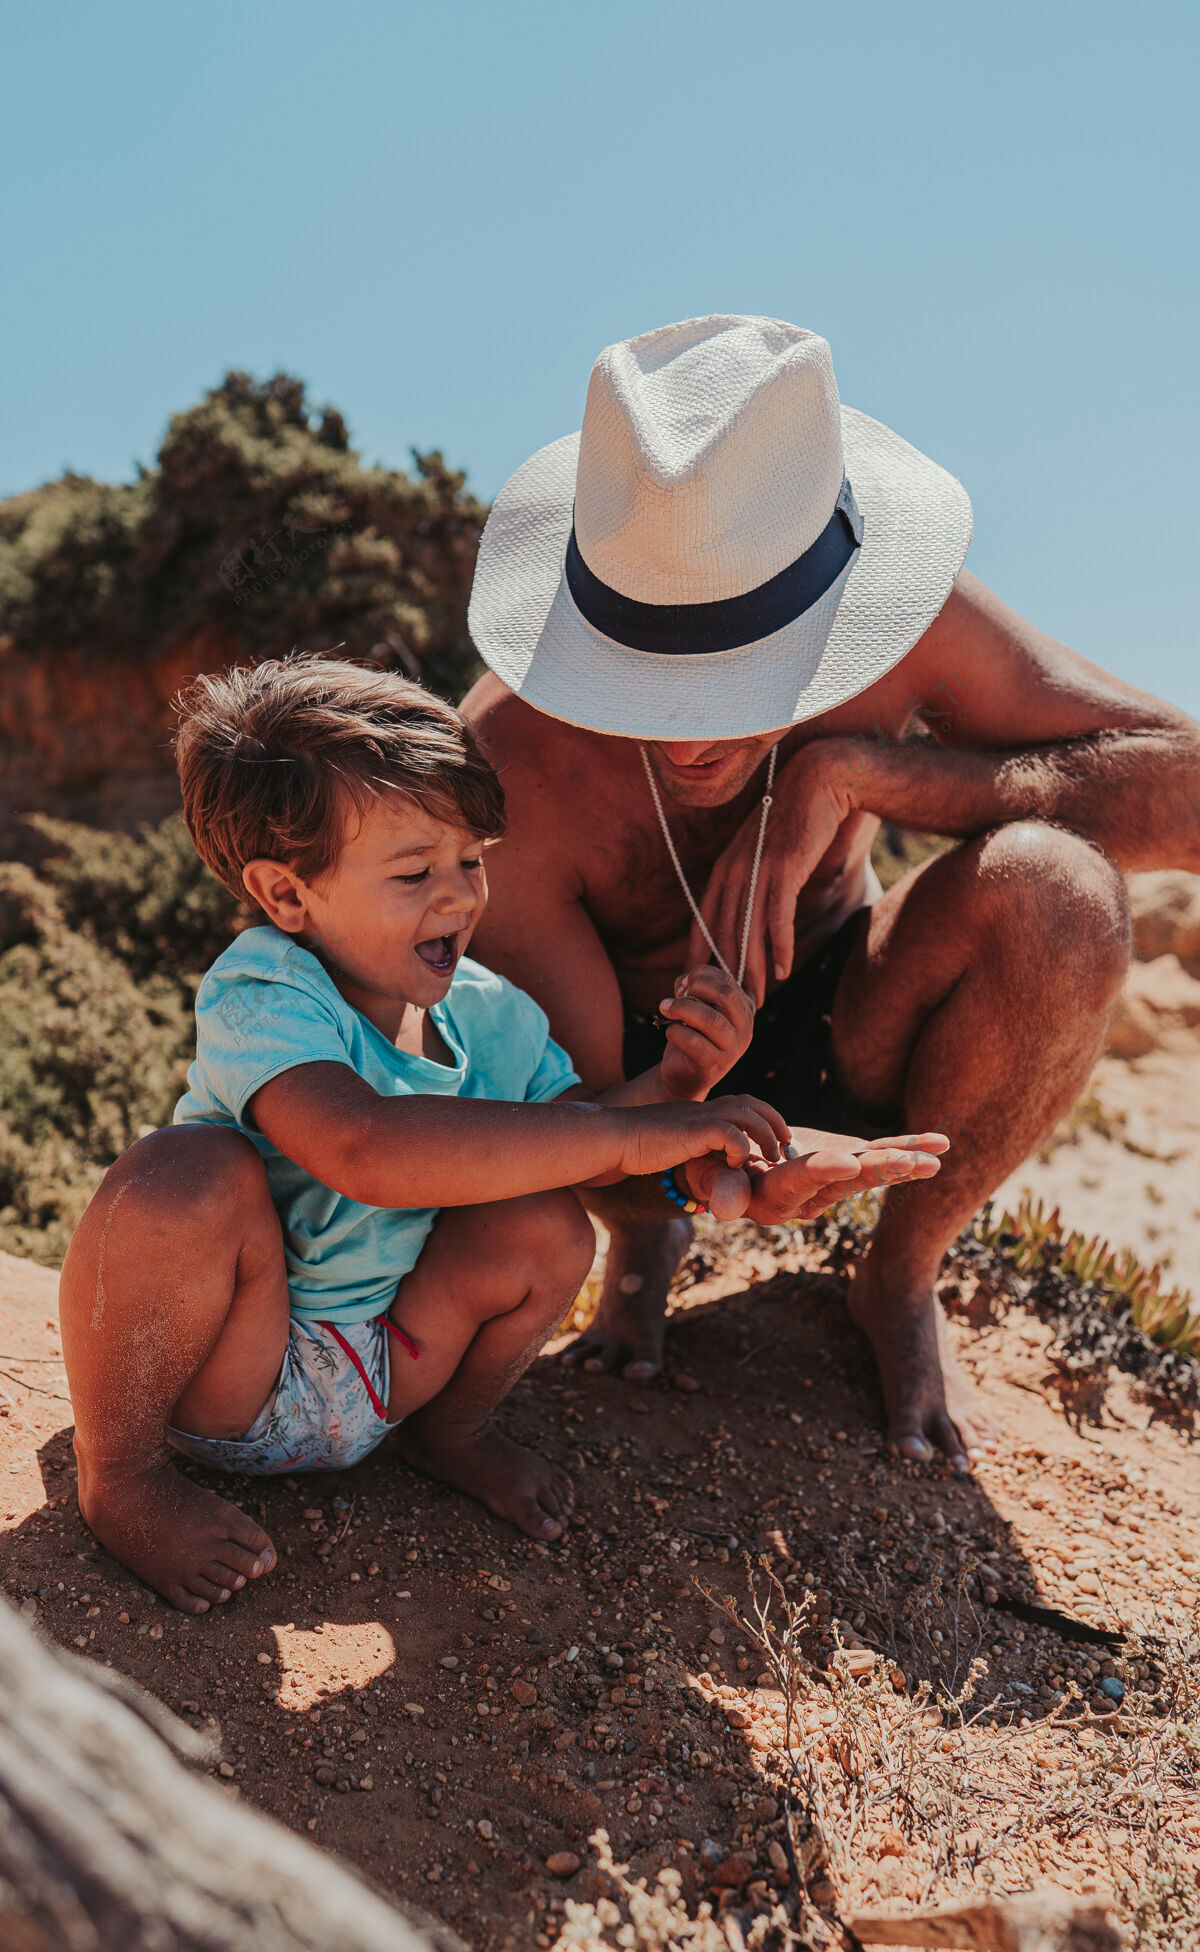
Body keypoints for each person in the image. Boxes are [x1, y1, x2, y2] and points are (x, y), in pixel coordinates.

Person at [462, 313, 1200, 1472]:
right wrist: (697, 1154)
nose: (693, 734)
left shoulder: (899, 624)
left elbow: (1187, 794)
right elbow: (568, 1108)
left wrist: (853, 771)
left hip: (851, 1011)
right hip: (631, 1078)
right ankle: (645, 1255)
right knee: (586, 1144)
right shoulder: (511, 768)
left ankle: (899, 1275)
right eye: (654, 680)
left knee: (1060, 890)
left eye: (742, 677)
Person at [58, 656, 942, 1614]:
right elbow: (365, 1150)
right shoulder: (266, 990)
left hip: (389, 1374)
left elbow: (585, 1142)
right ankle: (124, 1477)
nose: (460, 897)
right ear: (286, 896)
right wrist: (637, 1134)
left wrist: (699, 1118)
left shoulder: (493, 1014)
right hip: (232, 1373)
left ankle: (453, 1435)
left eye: (472, 860)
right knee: (182, 1171)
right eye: (413, 872)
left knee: (548, 1225)